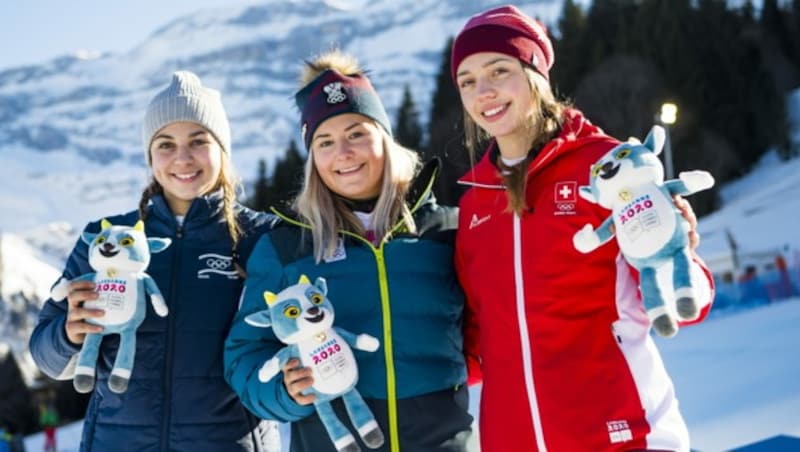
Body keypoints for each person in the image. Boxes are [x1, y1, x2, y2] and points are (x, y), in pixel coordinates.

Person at [450, 5, 715, 451]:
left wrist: (676, 254)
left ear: (535, 73)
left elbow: (683, 298)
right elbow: (476, 347)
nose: (485, 92)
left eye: (499, 70)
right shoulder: (476, 203)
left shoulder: (606, 169)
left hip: (625, 435)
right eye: (468, 81)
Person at [224, 50, 473, 452]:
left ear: (384, 138)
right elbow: (244, 355)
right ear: (312, 160)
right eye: (324, 141)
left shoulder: (445, 231)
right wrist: (285, 392)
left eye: (356, 133)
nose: (343, 153)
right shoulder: (286, 247)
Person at [29, 71, 279, 451]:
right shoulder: (104, 238)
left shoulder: (262, 237)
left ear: (222, 149)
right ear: (150, 156)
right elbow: (46, 358)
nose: (182, 158)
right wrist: (68, 333)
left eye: (198, 141)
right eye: (165, 144)